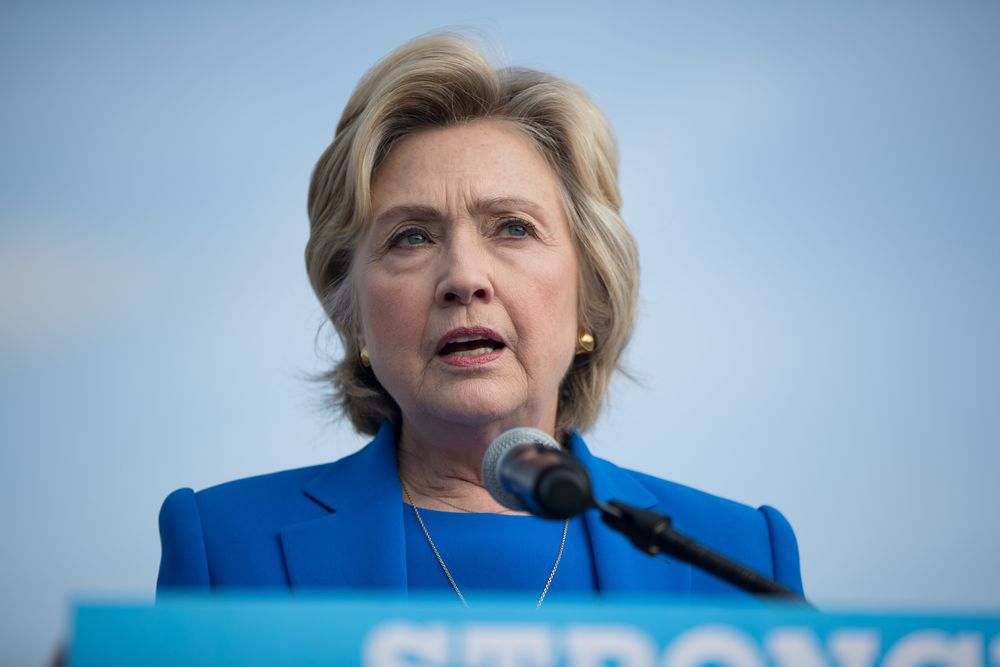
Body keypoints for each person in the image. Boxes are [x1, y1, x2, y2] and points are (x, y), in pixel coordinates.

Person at [157, 33, 803, 604]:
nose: (464, 277)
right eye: (411, 237)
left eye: (514, 228)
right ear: (350, 310)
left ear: (592, 294)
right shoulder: (223, 548)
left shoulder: (742, 558)